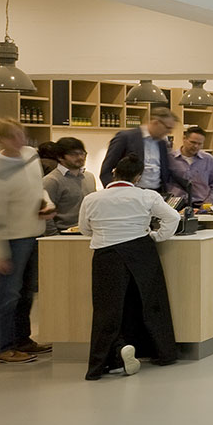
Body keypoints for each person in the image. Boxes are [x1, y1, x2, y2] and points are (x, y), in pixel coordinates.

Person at [80, 153, 181, 380]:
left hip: (106, 254)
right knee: (150, 303)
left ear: (114, 172)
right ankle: (160, 352)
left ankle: (105, 361)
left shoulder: (92, 199)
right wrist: (157, 236)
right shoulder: (146, 196)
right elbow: (173, 218)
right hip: (141, 251)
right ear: (138, 176)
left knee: (107, 310)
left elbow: (85, 229)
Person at [0, 118, 56, 364]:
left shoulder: (30, 154)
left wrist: (47, 204)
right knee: (8, 294)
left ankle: (22, 339)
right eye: (14, 136)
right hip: (11, 238)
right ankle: (1, 346)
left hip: (35, 231)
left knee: (26, 292)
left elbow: (39, 189)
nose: (20, 140)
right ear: (0, 140)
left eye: (21, 134)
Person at [99, 106, 189, 196]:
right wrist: (114, 193)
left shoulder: (162, 144)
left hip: (156, 195)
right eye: (168, 128)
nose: (169, 132)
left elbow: (166, 171)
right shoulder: (125, 137)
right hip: (129, 194)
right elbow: (105, 171)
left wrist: (188, 185)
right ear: (155, 123)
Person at [42, 137, 95, 234]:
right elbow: (46, 216)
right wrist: (55, 237)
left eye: (82, 153)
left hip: (89, 233)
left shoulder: (89, 177)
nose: (80, 157)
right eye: (74, 154)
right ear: (60, 157)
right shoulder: (51, 181)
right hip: (63, 234)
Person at [171, 127, 213, 206]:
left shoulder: (208, 159)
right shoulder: (169, 159)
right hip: (175, 205)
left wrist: (208, 201)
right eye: (192, 142)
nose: (196, 146)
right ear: (184, 139)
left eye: (199, 144)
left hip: (201, 205)